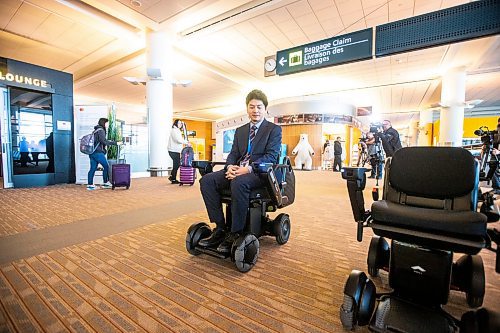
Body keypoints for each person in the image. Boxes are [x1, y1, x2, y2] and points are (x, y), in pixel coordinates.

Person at [198, 89, 282, 252]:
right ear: (247, 108)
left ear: (265, 109)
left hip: (259, 173)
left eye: (259, 107)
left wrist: (247, 169)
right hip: (237, 169)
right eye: (252, 107)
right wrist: (230, 167)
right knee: (206, 180)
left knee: (238, 182)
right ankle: (221, 228)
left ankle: (236, 232)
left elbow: (271, 156)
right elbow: (234, 153)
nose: (255, 110)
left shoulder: (273, 129)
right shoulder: (240, 130)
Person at [87, 118, 118, 191]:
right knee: (106, 166)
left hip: (92, 152)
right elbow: (103, 141)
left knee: (92, 168)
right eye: (107, 123)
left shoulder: (95, 130)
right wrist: (115, 143)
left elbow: (100, 140)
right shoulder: (101, 130)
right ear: (104, 123)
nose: (108, 125)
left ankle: (90, 185)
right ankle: (105, 183)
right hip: (98, 153)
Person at [168, 119, 189, 184]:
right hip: (173, 150)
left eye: (181, 124)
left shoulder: (177, 130)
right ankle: (173, 178)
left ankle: (172, 177)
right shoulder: (174, 130)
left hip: (175, 150)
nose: (180, 125)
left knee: (176, 164)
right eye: (179, 123)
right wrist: (186, 142)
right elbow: (178, 140)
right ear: (176, 123)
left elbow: (180, 139)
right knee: (176, 164)